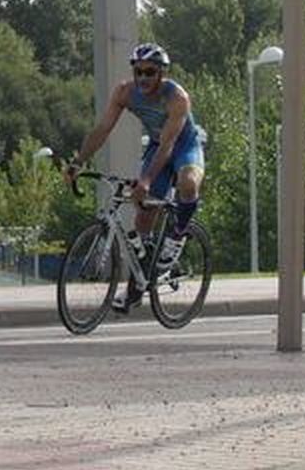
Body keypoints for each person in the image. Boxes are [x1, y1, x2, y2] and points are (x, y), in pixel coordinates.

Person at [64, 42, 205, 313]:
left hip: (183, 146)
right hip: (156, 146)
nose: (143, 78)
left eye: (150, 72)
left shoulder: (177, 98)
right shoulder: (124, 92)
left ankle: (176, 238)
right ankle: (135, 288)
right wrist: (78, 162)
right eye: (138, 71)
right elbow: (103, 129)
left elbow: (168, 145)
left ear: (162, 73)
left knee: (188, 183)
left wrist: (147, 180)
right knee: (142, 219)